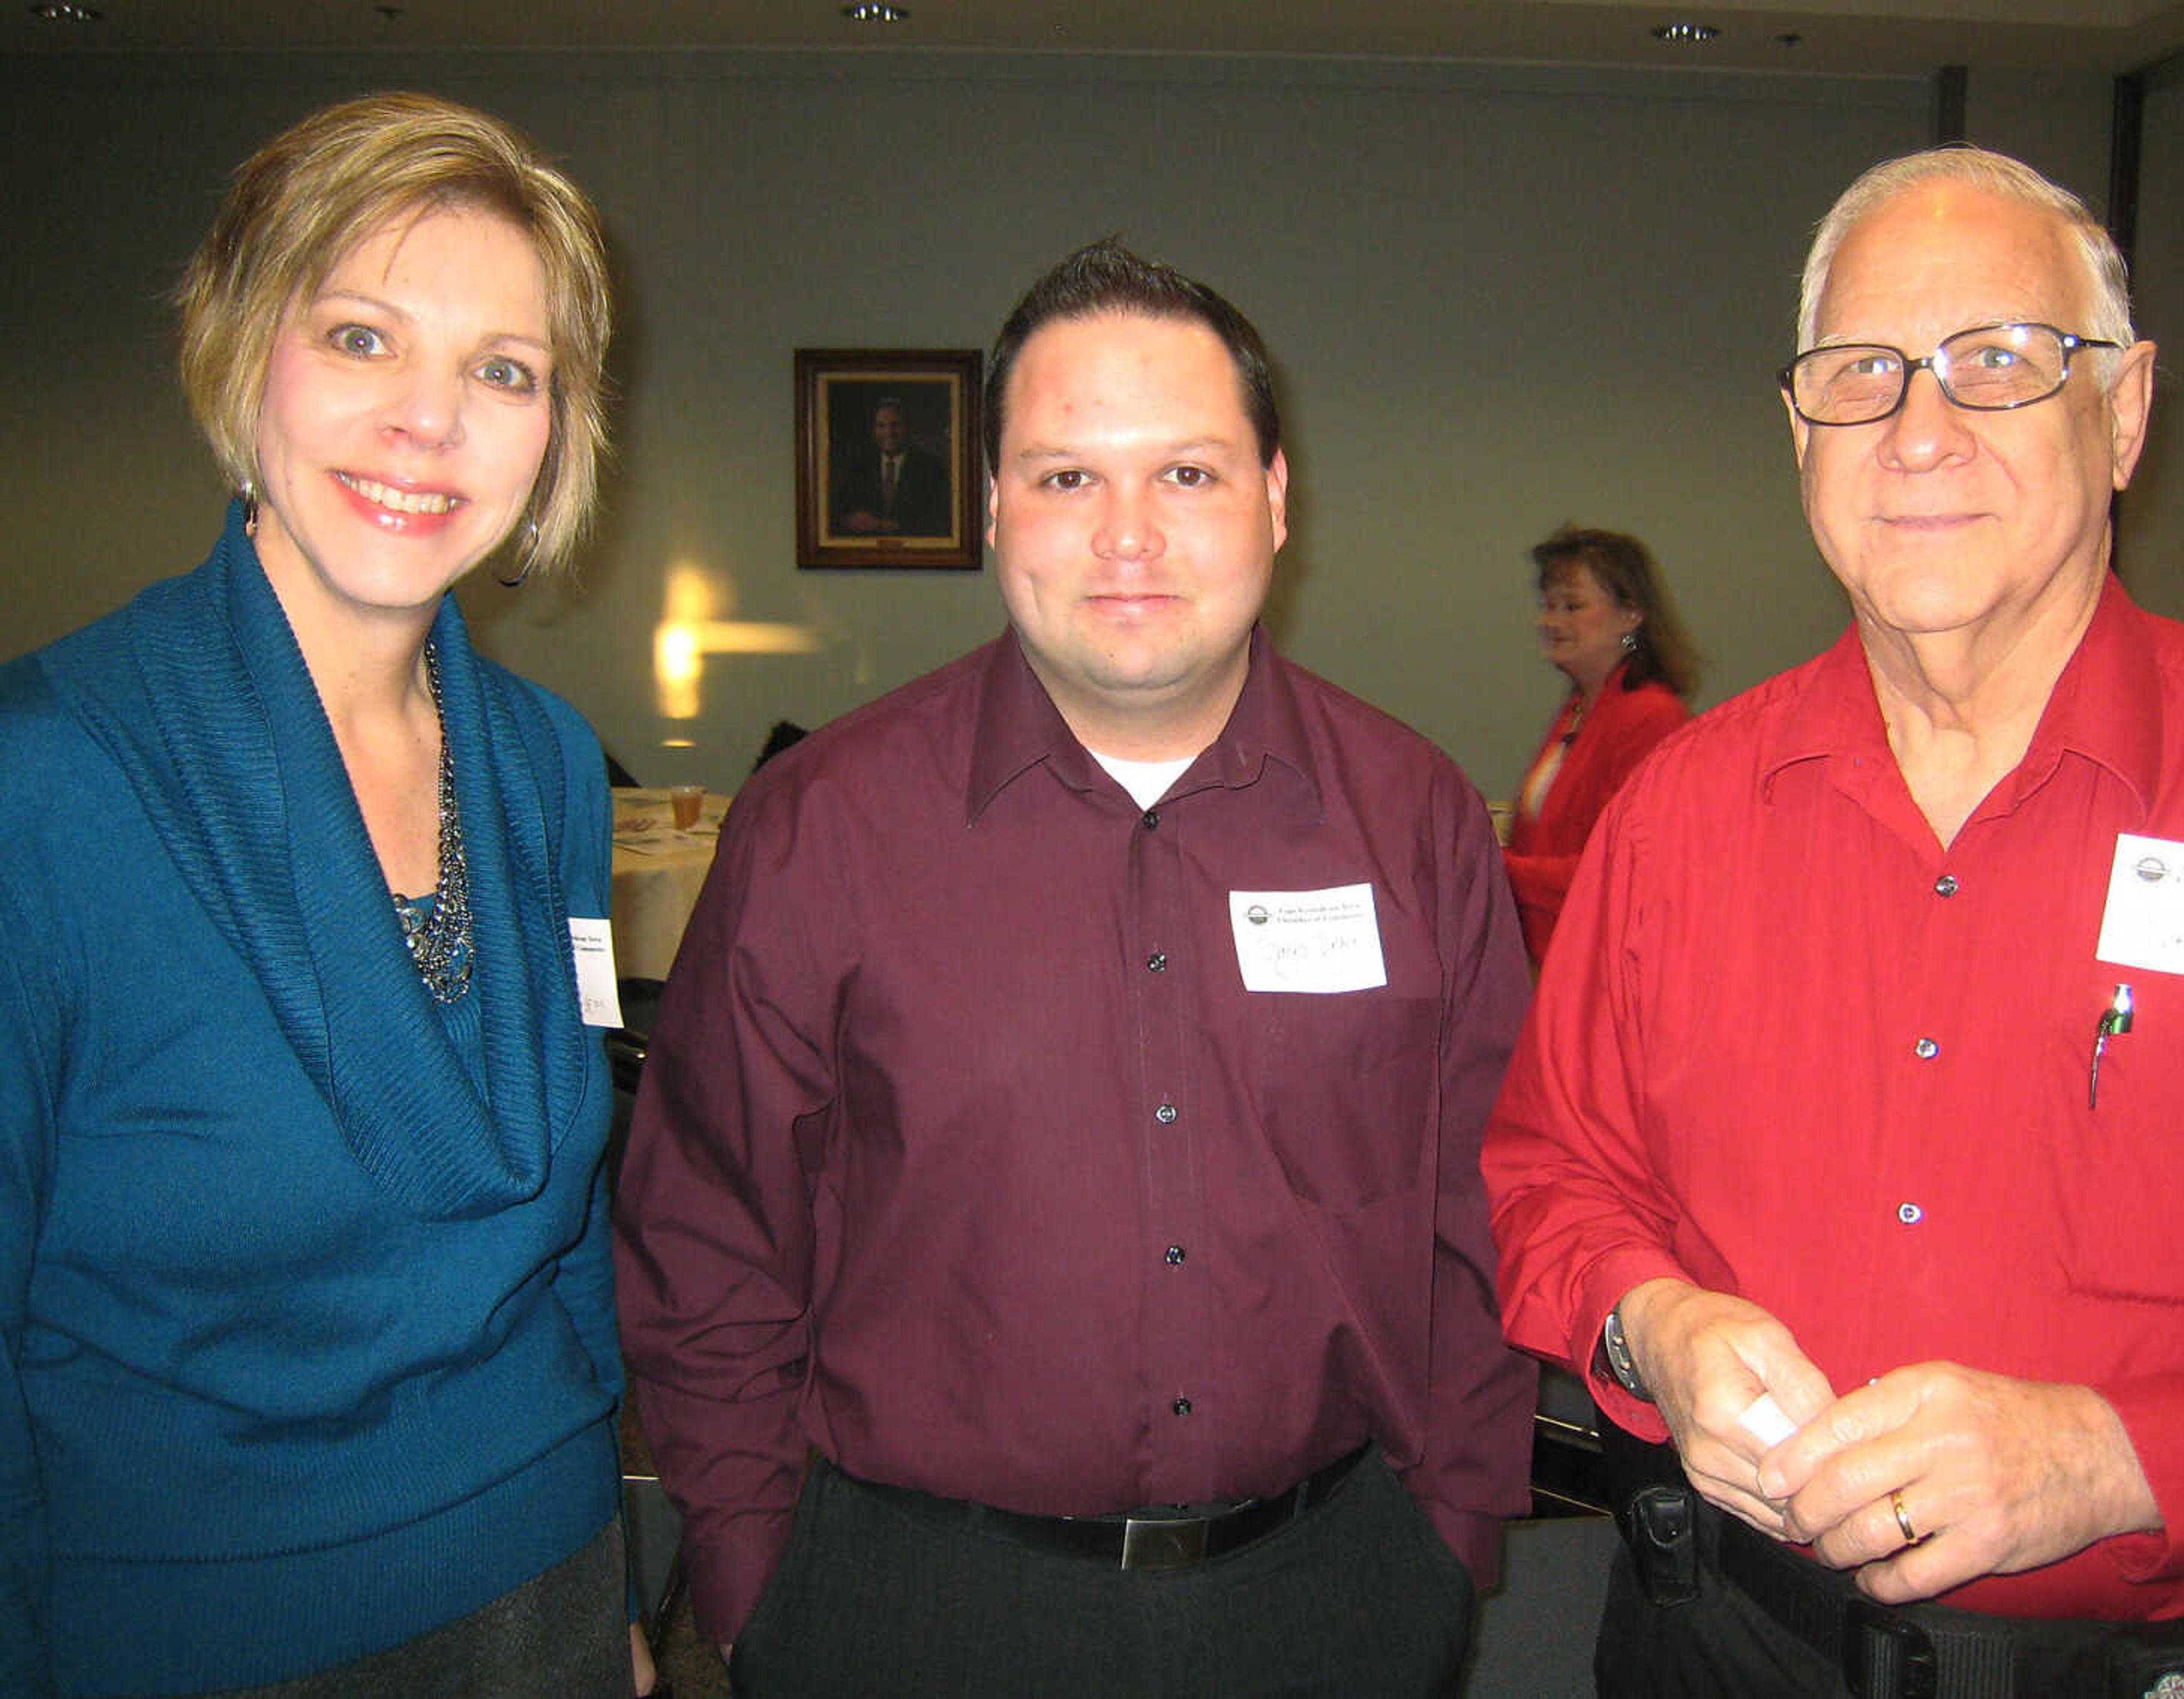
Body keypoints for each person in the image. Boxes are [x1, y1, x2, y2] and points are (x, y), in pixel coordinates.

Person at [1483, 144, 2184, 1699]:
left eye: (1995, 360)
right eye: (1859, 371)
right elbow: (1548, 1175)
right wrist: (1651, 1328)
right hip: (1715, 1643)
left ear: (2120, 410)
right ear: (1797, 429)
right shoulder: (1681, 812)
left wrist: (2112, 1459)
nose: (1916, 431)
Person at [614, 239, 1535, 1698]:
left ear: (1275, 501)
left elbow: (1482, 1204)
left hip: (1334, 1595)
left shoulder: (1413, 818)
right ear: (991, 507)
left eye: (1186, 473)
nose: (1127, 534)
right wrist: (749, 1581)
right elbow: (707, 1224)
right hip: (910, 1611)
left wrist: (1449, 1538)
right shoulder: (825, 825)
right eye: (1064, 476)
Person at [0, 94, 653, 1697]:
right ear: (243, 353)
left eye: (503, 370)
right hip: (192, 1622)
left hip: (547, 1580)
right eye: (362, 338)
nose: (429, 422)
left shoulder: (550, 764)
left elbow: (563, 1219)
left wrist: (616, 1573)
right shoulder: (47, 779)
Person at [1504, 526, 1697, 967]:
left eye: (1572, 606)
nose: (1551, 622)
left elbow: (1619, 869)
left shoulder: (1651, 717)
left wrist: (1502, 870)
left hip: (1606, 968)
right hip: (1553, 959)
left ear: (1631, 616)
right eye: (1548, 606)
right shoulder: (1578, 707)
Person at [832, 395, 952, 537]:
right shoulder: (859, 469)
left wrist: (884, 525)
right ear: (873, 430)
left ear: (907, 427)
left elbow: (940, 522)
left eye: (895, 425)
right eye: (881, 426)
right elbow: (840, 517)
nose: (889, 433)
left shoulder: (932, 469)